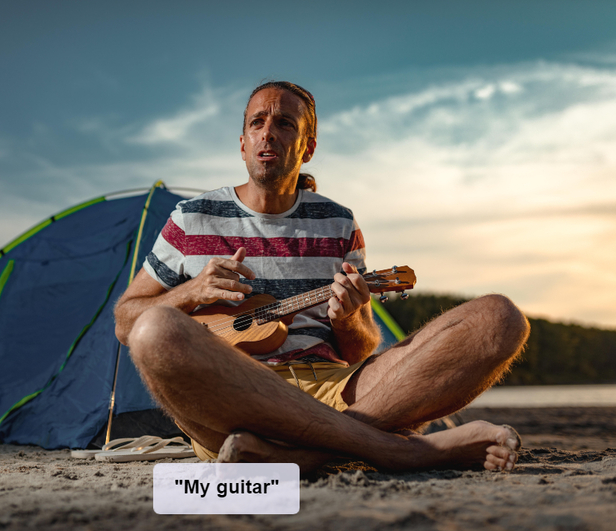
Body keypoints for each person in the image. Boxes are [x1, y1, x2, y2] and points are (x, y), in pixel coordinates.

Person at [113, 81, 530, 472]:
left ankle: (299, 456)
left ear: (308, 147)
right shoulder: (191, 219)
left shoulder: (338, 222)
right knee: (154, 332)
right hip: (232, 396)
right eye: (257, 123)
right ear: (242, 145)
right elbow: (126, 320)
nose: (268, 133)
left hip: (336, 388)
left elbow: (360, 349)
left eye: (284, 124)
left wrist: (349, 319)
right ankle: (398, 451)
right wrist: (190, 291)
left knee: (500, 318)